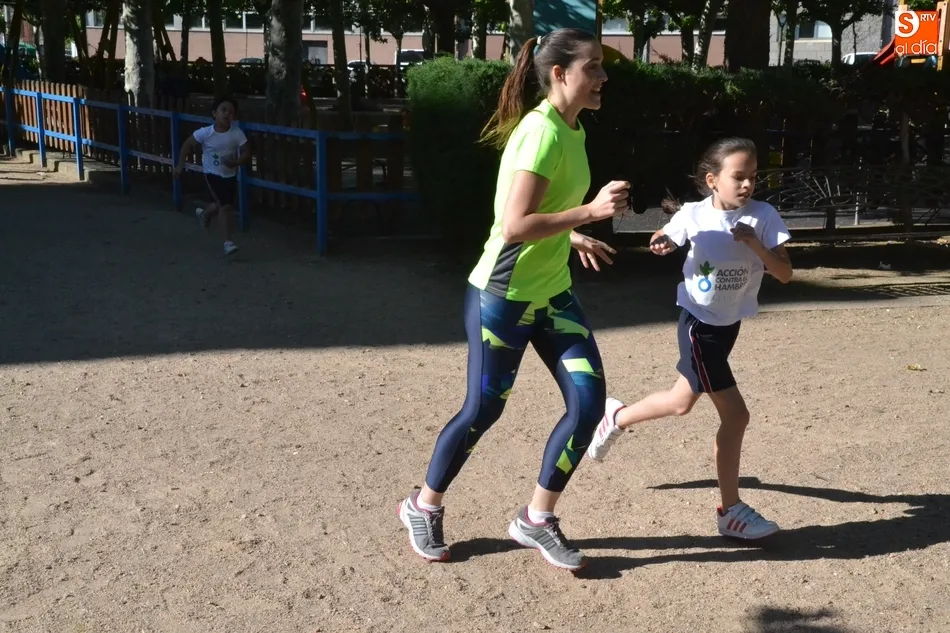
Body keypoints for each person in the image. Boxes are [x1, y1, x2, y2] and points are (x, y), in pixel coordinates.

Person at [397, 28, 630, 572]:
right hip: (502, 297)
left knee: (588, 403)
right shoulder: (541, 133)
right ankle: (422, 505)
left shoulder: (572, 129)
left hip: (552, 295)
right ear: (560, 74)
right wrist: (589, 213)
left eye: (601, 66)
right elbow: (514, 224)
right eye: (593, 67)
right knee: (484, 409)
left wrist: (572, 234)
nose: (602, 76)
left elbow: (539, 210)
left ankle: (536, 519)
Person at [586, 137, 794, 540]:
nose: (747, 185)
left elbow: (785, 274)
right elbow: (663, 236)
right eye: (739, 177)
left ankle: (616, 417)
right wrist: (661, 242)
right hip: (698, 325)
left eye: (753, 177)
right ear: (713, 180)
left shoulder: (764, 216)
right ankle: (730, 511)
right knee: (736, 416)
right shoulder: (694, 214)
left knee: (680, 402)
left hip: (728, 325)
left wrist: (754, 243)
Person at [174, 95, 250, 256]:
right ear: (214, 113)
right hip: (212, 174)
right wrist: (180, 165)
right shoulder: (205, 133)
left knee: (221, 204)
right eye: (224, 110)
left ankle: (204, 214)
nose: (227, 114)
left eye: (231, 112)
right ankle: (228, 242)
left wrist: (236, 162)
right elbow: (187, 145)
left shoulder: (237, 133)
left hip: (230, 174)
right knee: (225, 206)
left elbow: (246, 152)